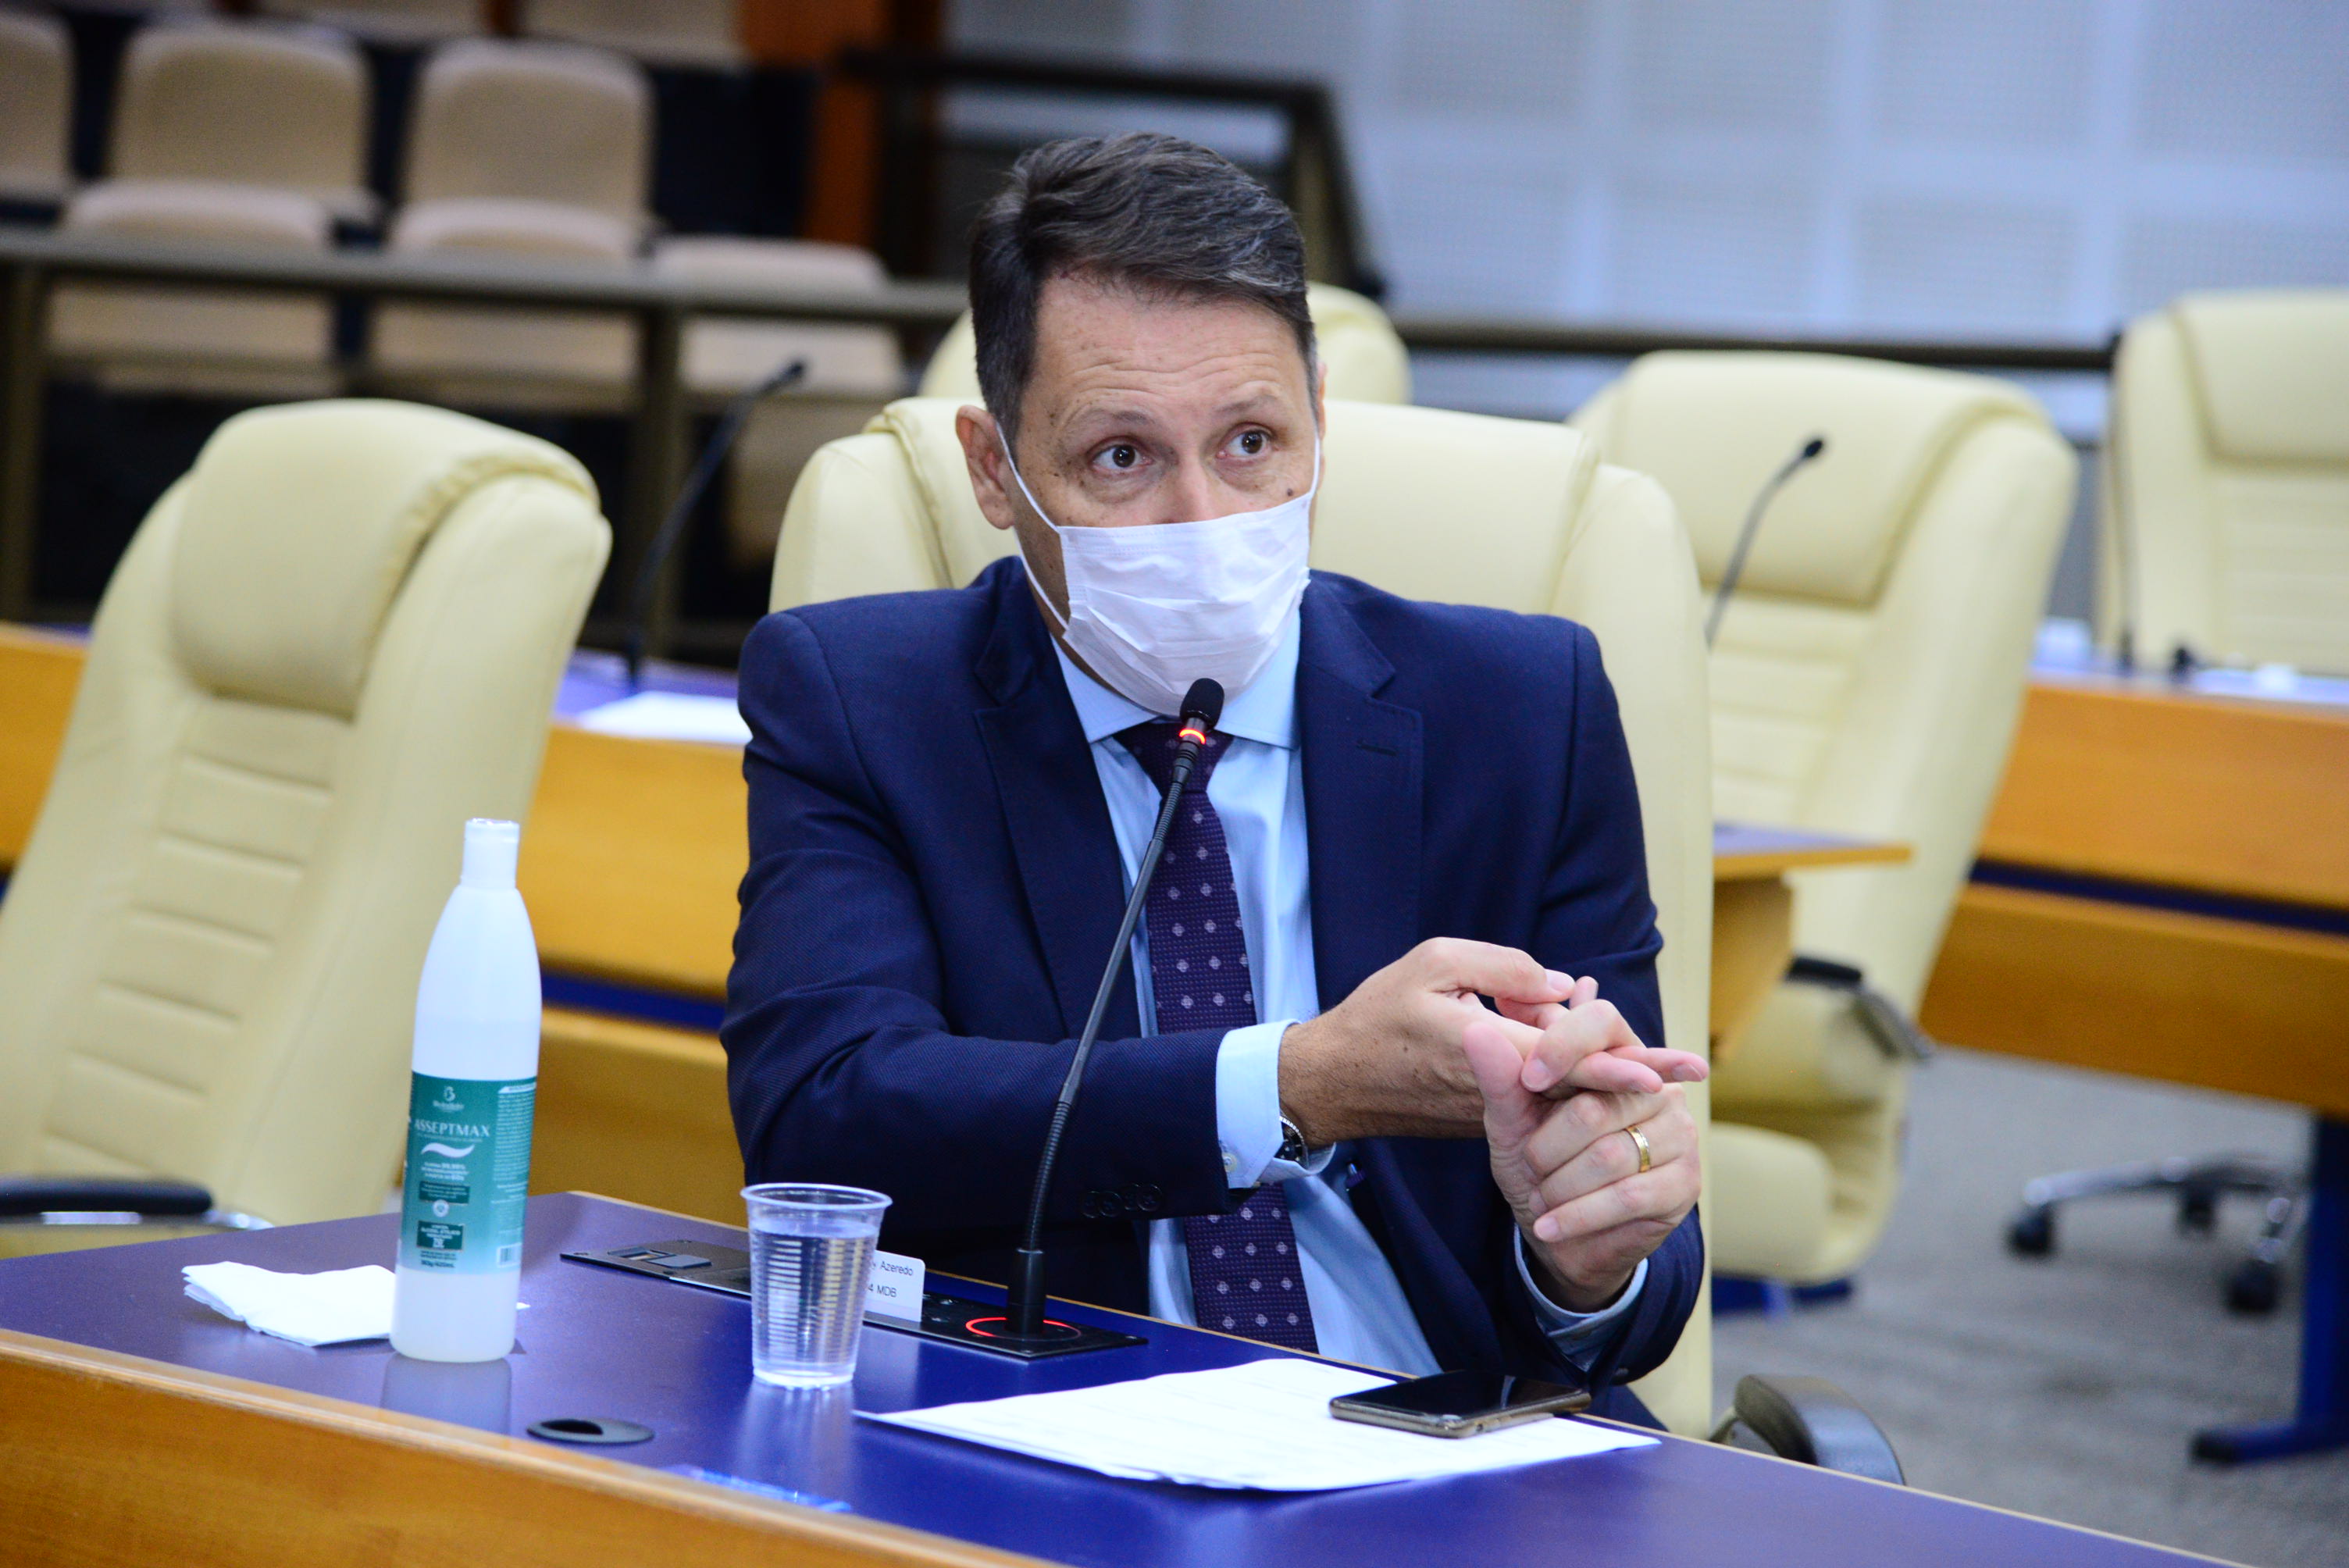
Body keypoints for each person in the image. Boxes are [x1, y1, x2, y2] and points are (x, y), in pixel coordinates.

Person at [724, 134, 1706, 1423]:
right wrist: (1290, 1085)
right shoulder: (863, 699)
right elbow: (825, 1116)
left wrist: (1587, 1249)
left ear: (1319, 427)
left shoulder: (1524, 707)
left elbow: (1632, 1254)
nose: (1203, 519)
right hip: (1051, 1423)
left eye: (1251, 442)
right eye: (1121, 457)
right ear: (994, 469)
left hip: (1446, 1424)